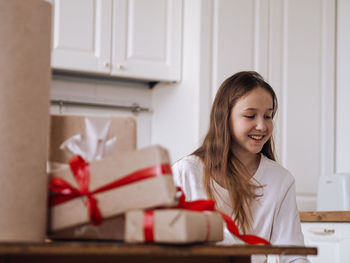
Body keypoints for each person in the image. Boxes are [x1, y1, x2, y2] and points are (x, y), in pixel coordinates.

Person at [172, 71, 309, 263]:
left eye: (268, 116)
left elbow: (293, 254)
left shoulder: (280, 179)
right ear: (224, 117)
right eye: (250, 115)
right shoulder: (186, 172)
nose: (262, 126)